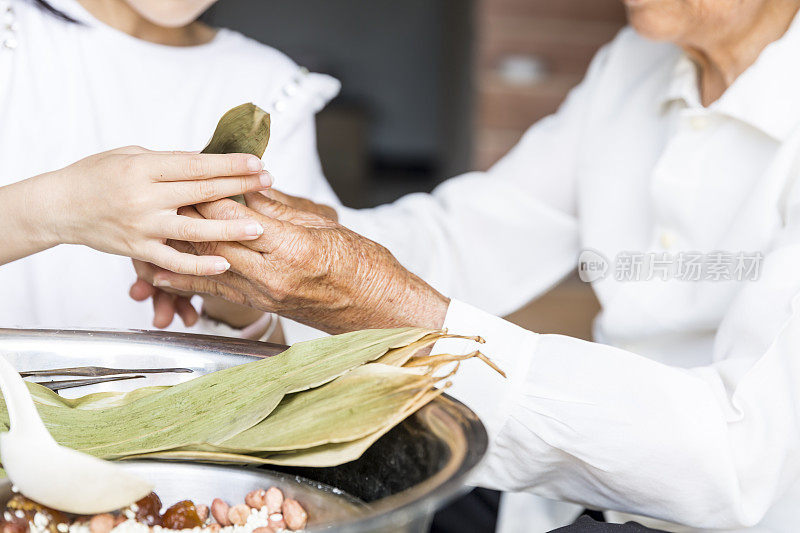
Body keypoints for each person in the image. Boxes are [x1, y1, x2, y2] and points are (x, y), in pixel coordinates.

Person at [141, 0, 800, 530]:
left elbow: (738, 463)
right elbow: (472, 234)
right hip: (560, 491)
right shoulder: (635, 62)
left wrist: (374, 295)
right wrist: (259, 267)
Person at [0, 0, 339, 341]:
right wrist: (63, 206)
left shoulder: (272, 84)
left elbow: (297, 370)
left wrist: (234, 296)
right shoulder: (12, 31)